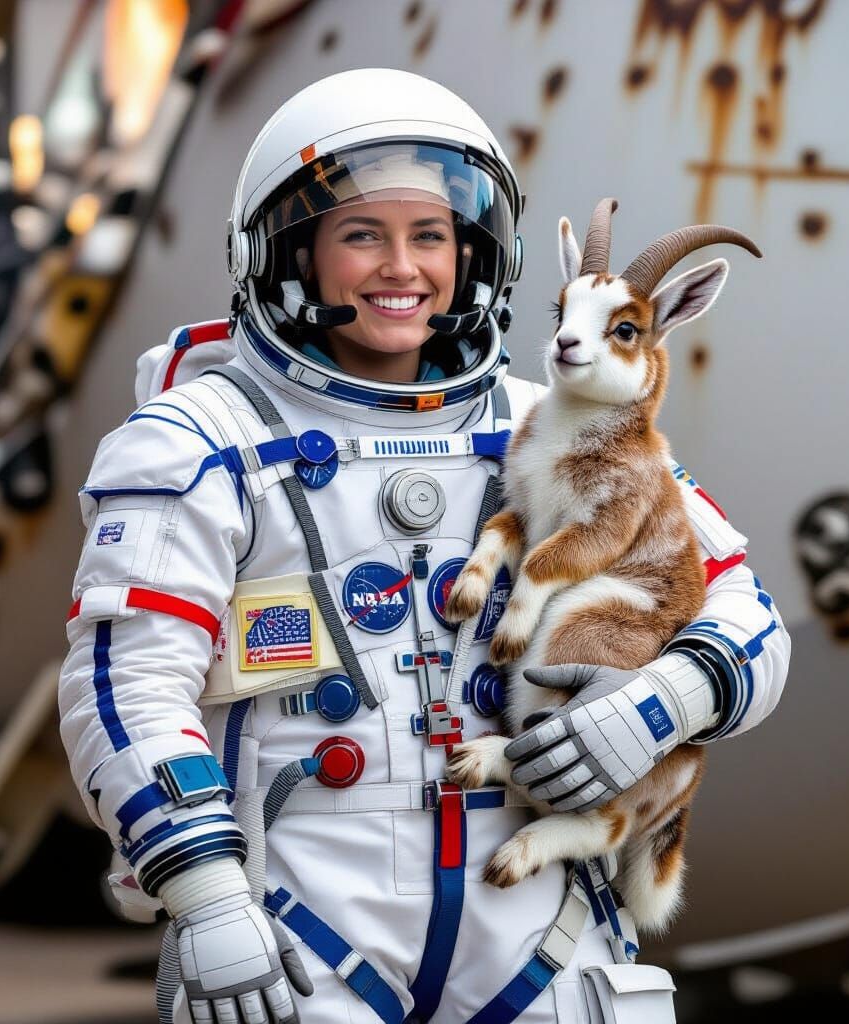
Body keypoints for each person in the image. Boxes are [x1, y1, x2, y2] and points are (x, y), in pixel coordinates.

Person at [58, 68, 790, 1024]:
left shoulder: (552, 428)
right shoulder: (199, 441)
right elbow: (128, 682)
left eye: (431, 235)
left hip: (536, 920)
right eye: (362, 233)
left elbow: (747, 616)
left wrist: (661, 703)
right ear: (289, 252)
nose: (402, 267)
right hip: (304, 919)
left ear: (477, 252)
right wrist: (201, 889)